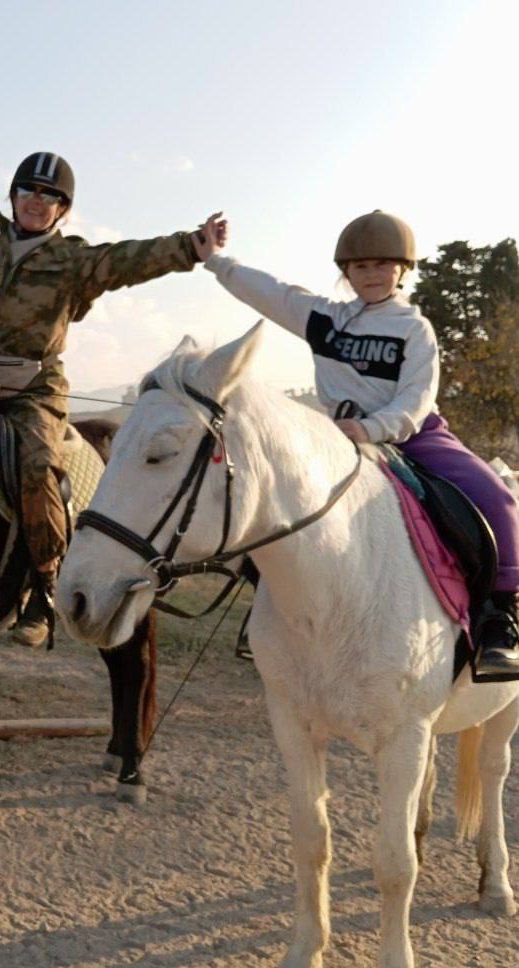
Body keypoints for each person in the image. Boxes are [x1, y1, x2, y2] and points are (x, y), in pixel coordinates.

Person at [192, 208, 519, 678]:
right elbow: (270, 293)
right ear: (346, 272)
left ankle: (499, 619)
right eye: (360, 266)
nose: (371, 274)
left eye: (382, 264)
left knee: (498, 497)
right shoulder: (324, 319)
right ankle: (274, 618)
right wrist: (216, 260)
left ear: (402, 269)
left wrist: (373, 428)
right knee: (273, 503)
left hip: (413, 436)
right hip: (339, 438)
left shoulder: (414, 328)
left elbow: (416, 397)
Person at [0, 151, 225, 645]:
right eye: (28, 190)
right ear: (12, 196)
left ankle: (44, 587)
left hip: (34, 391)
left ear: (62, 209)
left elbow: (129, 260)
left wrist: (190, 247)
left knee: (37, 467)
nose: (36, 201)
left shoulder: (71, 260)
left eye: (50, 196)